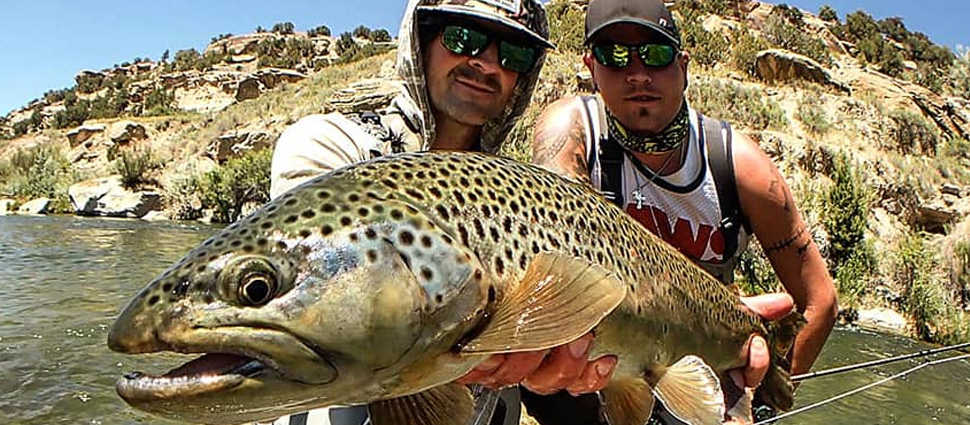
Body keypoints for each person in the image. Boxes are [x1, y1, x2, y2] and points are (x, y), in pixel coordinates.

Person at [269, 1, 797, 424]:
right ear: (419, 41)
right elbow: (317, 313)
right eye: (463, 38)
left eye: (514, 53)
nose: (487, 63)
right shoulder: (331, 148)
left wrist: (701, 318)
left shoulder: (525, 196)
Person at [527, 0, 838, 423]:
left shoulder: (741, 166)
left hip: (702, 371)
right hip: (592, 371)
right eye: (614, 55)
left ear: (683, 65)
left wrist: (759, 400)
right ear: (591, 67)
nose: (638, 73)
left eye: (655, 54)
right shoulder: (570, 129)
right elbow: (553, 226)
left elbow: (819, 300)